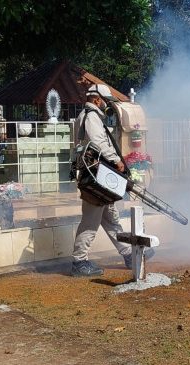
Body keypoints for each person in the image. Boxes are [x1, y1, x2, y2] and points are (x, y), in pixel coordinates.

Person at [71, 83, 132, 277]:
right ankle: (79, 262)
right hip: (95, 175)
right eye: (106, 101)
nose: (107, 105)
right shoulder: (91, 117)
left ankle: (129, 253)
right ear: (97, 99)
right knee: (90, 221)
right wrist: (115, 160)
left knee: (111, 218)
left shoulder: (91, 116)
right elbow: (98, 142)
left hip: (99, 175)